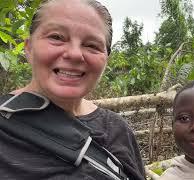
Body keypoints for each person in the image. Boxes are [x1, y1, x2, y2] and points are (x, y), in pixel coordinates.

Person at [0, 0, 145, 179]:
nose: (75, 54)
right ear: (29, 48)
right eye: (57, 37)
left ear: (106, 58)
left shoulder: (118, 130)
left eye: (92, 45)